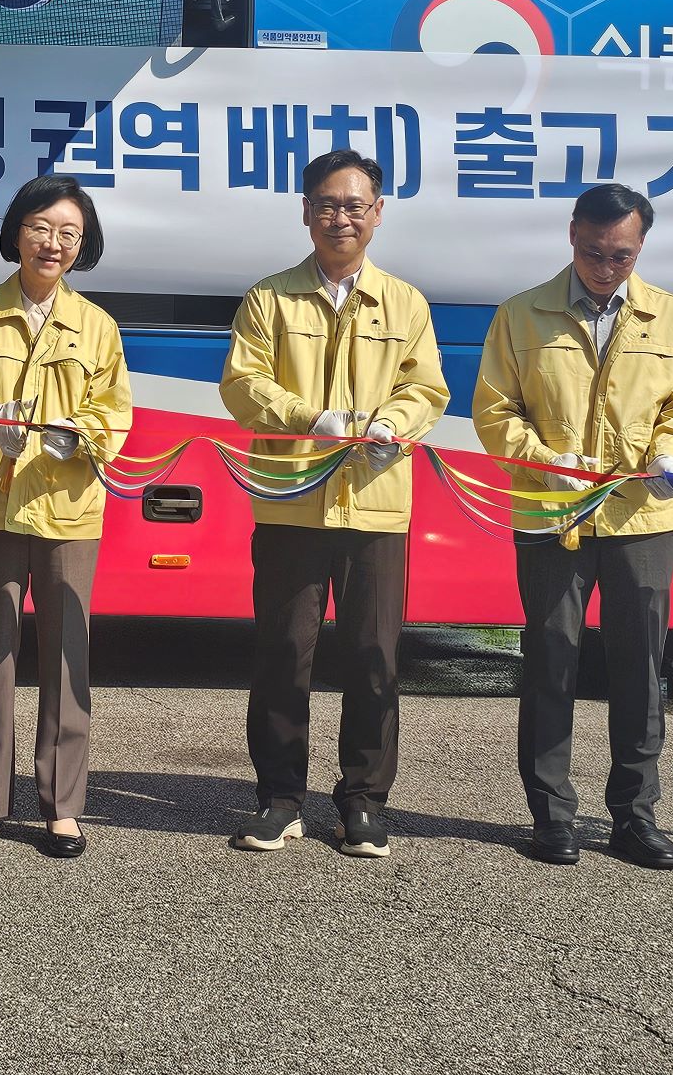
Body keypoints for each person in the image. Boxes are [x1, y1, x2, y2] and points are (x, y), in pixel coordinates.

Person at [473, 182, 673, 870]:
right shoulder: (522, 315)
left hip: (643, 517)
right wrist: (543, 461)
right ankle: (552, 816)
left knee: (640, 666)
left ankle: (635, 816)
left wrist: (672, 453)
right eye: (593, 253)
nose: (605, 268)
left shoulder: (671, 317)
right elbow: (494, 410)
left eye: (621, 256)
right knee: (551, 659)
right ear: (572, 235)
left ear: (641, 248)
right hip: (552, 514)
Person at [220, 149, 447, 858]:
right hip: (291, 502)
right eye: (326, 204)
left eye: (354, 206)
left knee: (374, 656)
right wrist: (308, 418)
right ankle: (279, 799)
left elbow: (426, 389)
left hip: (375, 505)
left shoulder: (405, 302)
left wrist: (395, 424)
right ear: (305, 212)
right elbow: (242, 385)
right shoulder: (270, 298)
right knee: (284, 654)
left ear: (377, 214)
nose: (340, 218)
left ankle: (363, 804)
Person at [0, 175, 131, 858]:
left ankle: (62, 807)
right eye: (41, 227)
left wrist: (82, 431)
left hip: (68, 506)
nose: (53, 243)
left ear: (83, 246)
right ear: (16, 233)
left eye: (69, 233)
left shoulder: (97, 326)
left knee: (67, 652)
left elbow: (115, 412)